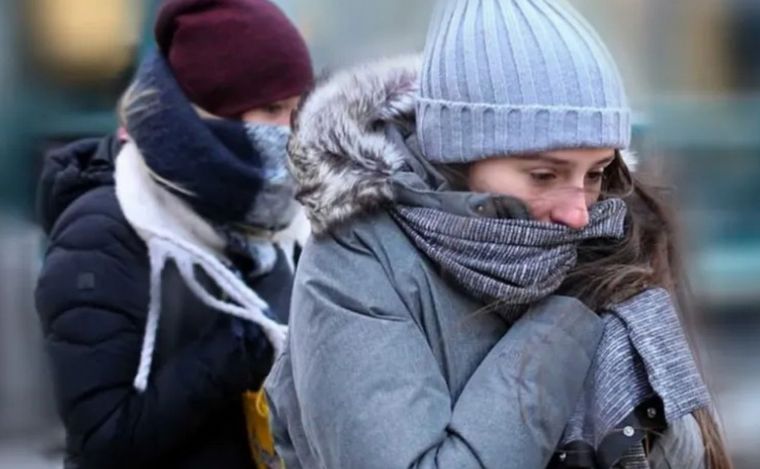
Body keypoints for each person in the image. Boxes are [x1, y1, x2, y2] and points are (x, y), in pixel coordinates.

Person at [265, 0, 732, 467]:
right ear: (459, 156)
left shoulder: (606, 244)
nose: (577, 214)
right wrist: (565, 321)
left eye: (595, 174)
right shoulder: (356, 259)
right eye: (544, 176)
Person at [34, 0, 313, 467]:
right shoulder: (102, 235)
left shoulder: (283, 223)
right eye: (270, 108)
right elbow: (103, 442)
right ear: (206, 113)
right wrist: (239, 347)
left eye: (297, 109)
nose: (290, 130)